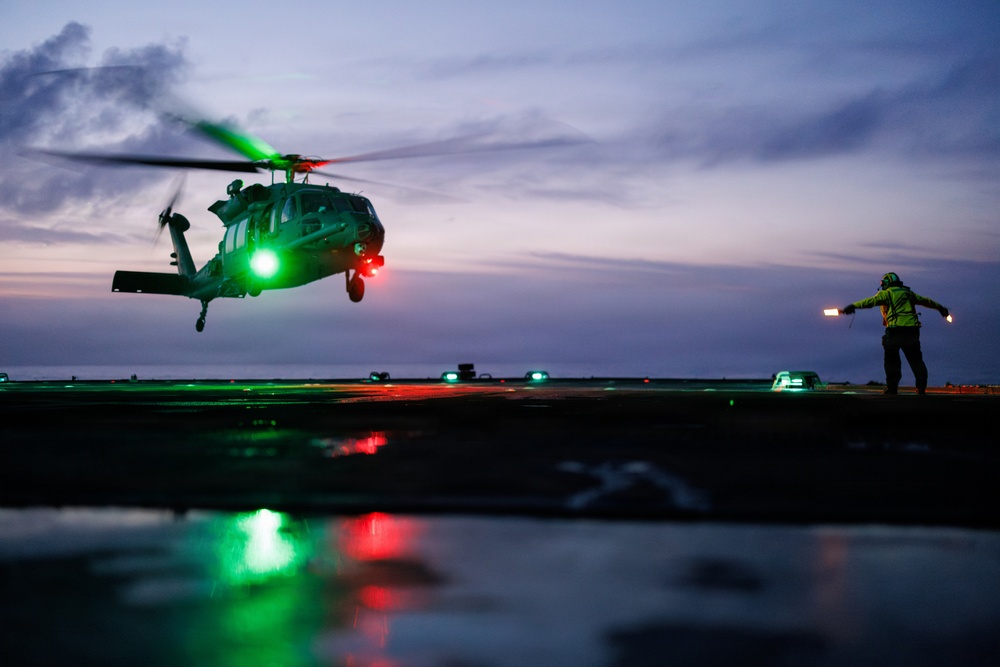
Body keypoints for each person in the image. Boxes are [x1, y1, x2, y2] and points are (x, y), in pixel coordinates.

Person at [843, 272, 949, 395]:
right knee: (916, 360)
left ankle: (892, 388)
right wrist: (940, 308)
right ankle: (921, 388)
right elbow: (925, 301)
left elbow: (870, 302)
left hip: (894, 330)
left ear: (886, 283)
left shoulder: (886, 293)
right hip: (912, 330)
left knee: (891, 360)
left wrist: (853, 306)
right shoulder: (908, 293)